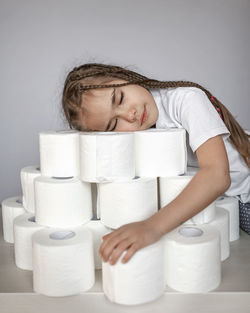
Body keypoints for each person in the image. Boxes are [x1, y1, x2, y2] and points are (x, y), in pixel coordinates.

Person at [62, 63, 250, 265]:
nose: (129, 114)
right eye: (114, 124)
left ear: (122, 76)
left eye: (120, 98)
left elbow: (217, 176)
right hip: (222, 203)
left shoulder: (186, 100)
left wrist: (152, 227)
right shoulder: (133, 138)